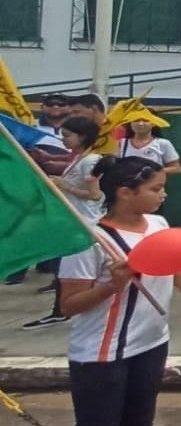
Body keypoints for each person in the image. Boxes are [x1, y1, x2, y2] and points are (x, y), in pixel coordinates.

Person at [59, 156, 181, 426]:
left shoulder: (158, 224)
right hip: (103, 355)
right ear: (125, 192)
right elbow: (69, 305)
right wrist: (112, 285)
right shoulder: (91, 242)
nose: (163, 194)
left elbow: (172, 266)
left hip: (151, 343)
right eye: (155, 189)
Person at [19, 116, 105, 331]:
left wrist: (64, 186)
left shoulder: (90, 161)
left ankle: (66, 310)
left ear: (83, 136)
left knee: (74, 273)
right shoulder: (79, 158)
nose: (64, 140)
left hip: (87, 221)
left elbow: (95, 195)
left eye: (68, 136)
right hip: (75, 220)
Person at [117, 118, 181, 175]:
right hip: (127, 186)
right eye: (136, 120)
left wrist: (151, 172)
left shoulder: (163, 143)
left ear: (153, 123)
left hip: (153, 186)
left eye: (146, 120)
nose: (140, 124)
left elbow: (176, 168)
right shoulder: (121, 143)